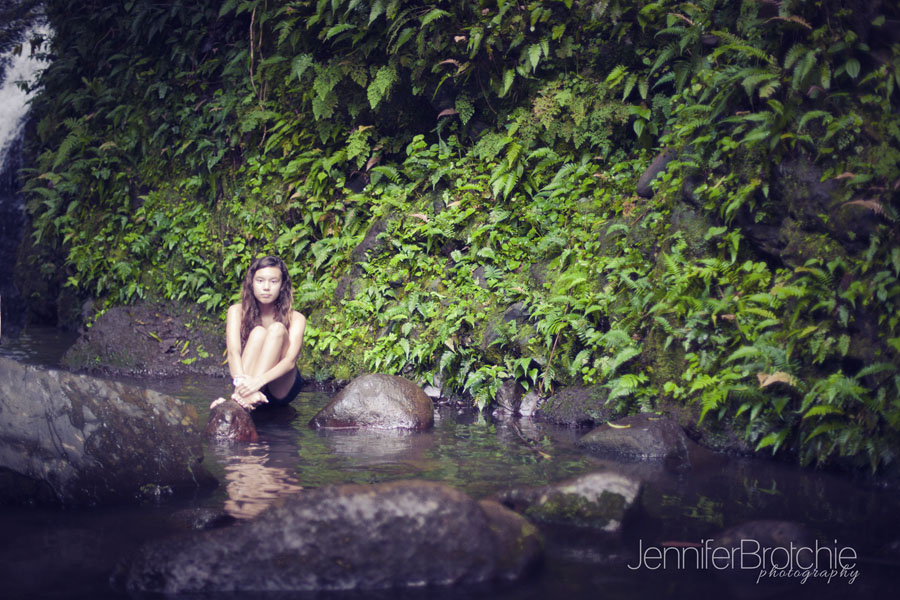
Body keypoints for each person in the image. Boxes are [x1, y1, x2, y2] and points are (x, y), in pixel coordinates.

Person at [222, 255, 306, 411]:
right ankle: (244, 396)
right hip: (248, 382)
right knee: (259, 332)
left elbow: (290, 362)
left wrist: (257, 382)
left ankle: (240, 398)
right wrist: (241, 383)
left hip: (280, 387)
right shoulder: (236, 311)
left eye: (273, 281)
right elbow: (233, 353)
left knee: (277, 329)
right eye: (260, 281)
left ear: (282, 285)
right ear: (251, 284)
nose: (266, 287)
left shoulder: (296, 318)